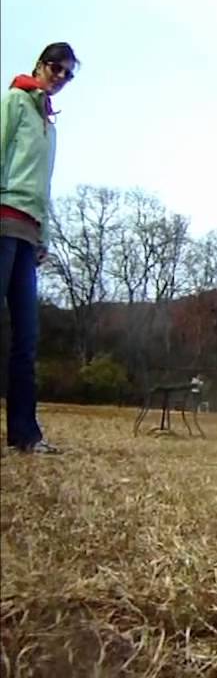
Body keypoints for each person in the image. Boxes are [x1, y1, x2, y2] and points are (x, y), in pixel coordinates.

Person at [2, 42, 79, 455]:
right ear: (39, 65)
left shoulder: (51, 126)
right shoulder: (15, 102)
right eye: (56, 68)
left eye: (68, 74)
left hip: (29, 234)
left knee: (26, 338)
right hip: (3, 219)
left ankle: (25, 434)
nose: (60, 78)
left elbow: (45, 187)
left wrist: (44, 237)